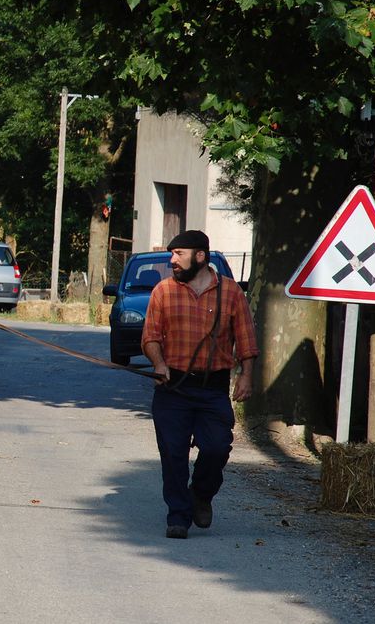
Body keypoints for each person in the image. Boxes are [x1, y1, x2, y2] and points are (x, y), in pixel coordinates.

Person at [140, 230, 259, 540]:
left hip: (212, 388)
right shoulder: (163, 291)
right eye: (172, 254)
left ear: (201, 256)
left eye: (179, 253)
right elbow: (150, 337)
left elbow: (246, 340)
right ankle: (178, 516)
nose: (172, 260)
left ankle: (201, 494)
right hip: (172, 386)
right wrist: (159, 364)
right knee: (173, 454)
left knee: (217, 447)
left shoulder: (232, 293)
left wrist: (246, 376)